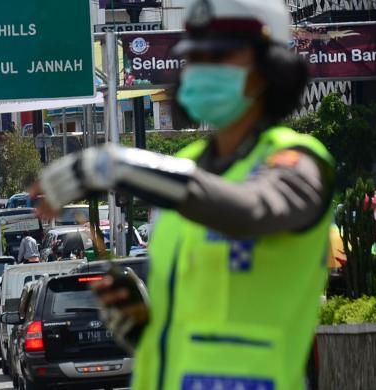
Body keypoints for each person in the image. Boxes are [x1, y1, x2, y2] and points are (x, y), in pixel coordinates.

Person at [31, 1, 334, 389]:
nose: (202, 69)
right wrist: (146, 328)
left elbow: (253, 209)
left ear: (268, 68)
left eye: (220, 56)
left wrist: (121, 166)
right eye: (195, 56)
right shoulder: (187, 167)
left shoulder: (297, 162)